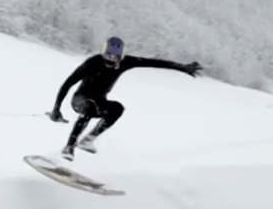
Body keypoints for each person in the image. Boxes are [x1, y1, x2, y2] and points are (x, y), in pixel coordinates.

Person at [47, 36, 202, 158]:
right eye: (108, 58)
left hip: (100, 102)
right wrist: (56, 109)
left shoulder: (126, 62)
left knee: (117, 108)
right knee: (89, 106)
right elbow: (67, 84)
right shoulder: (92, 63)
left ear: (120, 57)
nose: (110, 62)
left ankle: (88, 140)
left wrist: (182, 68)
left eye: (115, 59)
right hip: (80, 100)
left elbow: (154, 62)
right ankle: (69, 147)